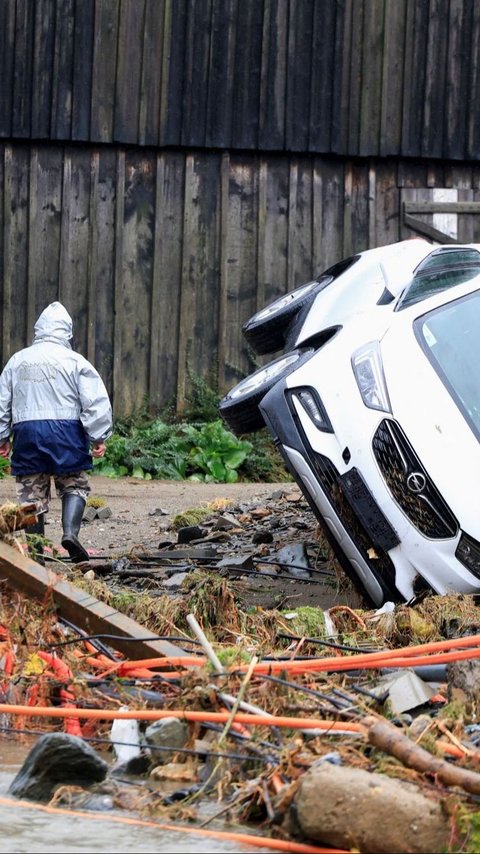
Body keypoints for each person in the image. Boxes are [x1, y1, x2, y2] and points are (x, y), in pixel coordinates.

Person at [0, 301, 113, 563]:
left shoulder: (18, 360)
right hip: (67, 432)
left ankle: (37, 553)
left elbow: (3, 401)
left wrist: (3, 437)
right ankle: (70, 534)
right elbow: (95, 401)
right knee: (74, 482)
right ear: (67, 332)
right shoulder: (75, 361)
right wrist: (99, 435)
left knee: (31, 492)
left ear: (38, 330)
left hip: (27, 432)